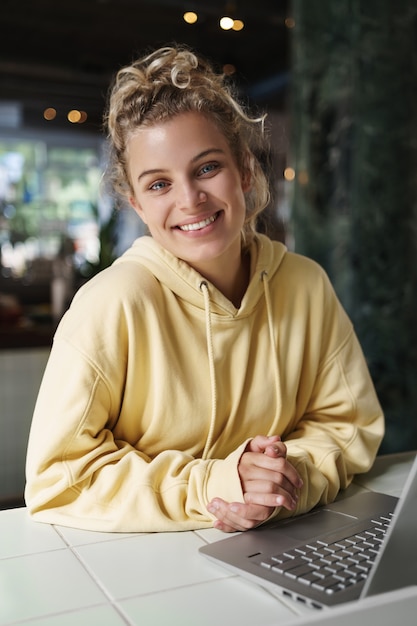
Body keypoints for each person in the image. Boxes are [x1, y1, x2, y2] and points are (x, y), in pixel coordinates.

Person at [25, 45, 384, 533]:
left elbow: (347, 426)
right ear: (135, 203)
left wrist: (284, 480)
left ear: (245, 169)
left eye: (207, 168)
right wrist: (215, 484)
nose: (190, 200)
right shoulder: (111, 305)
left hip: (283, 545)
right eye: (158, 185)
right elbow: (57, 478)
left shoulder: (305, 285)